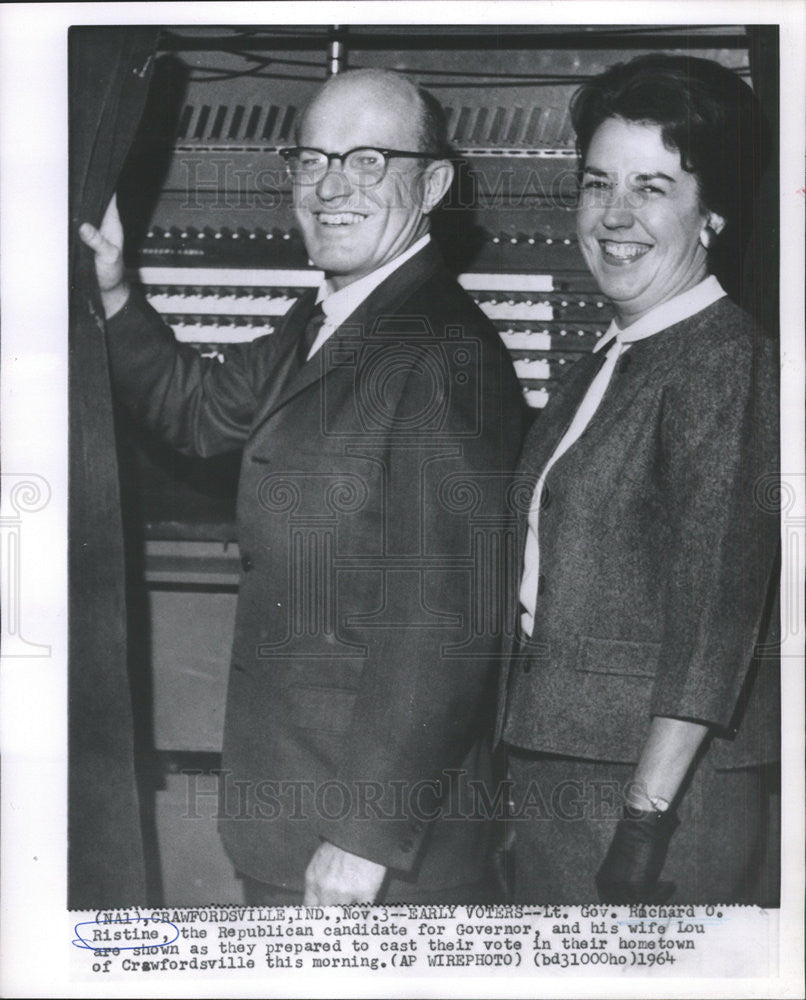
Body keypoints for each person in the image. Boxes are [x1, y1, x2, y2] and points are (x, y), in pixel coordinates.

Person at [79, 68, 526, 905]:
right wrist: (114, 290)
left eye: (365, 162)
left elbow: (443, 624)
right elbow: (200, 412)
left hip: (372, 854)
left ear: (432, 184)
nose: (328, 188)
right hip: (299, 812)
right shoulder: (332, 317)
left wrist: (362, 840)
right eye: (312, 159)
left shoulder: (442, 356)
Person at [495, 54, 779, 904]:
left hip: (651, 811)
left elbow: (714, 621)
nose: (614, 216)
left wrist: (641, 826)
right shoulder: (615, 356)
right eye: (596, 183)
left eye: (652, 188)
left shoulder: (724, 362)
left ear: (712, 215)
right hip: (563, 782)